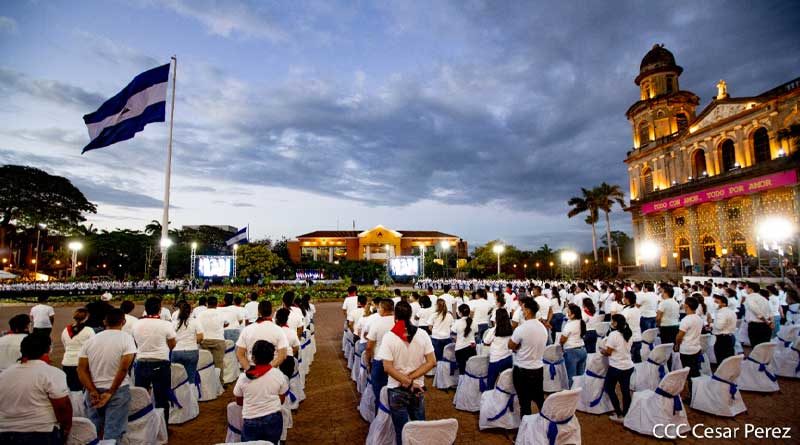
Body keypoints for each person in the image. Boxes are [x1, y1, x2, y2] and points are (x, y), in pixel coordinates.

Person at [377, 301, 436, 445]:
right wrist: (411, 379)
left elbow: (387, 367)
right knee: (419, 428)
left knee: (401, 431)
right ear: (410, 315)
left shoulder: (389, 337)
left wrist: (406, 380)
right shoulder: (422, 334)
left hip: (396, 389)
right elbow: (431, 361)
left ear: (394, 316)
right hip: (417, 388)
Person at [0, 334, 72, 444]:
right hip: (42, 432)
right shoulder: (52, 373)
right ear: (48, 349)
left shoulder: (4, 375)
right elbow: (62, 406)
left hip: (6, 433)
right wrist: (66, 428)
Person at [77, 309, 136, 441]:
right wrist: (111, 391)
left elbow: (81, 369)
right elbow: (124, 368)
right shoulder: (127, 338)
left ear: (105, 322)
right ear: (124, 322)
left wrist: (91, 390)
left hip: (94, 390)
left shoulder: (91, 340)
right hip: (117, 390)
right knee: (113, 431)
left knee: (93, 431)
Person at [233, 340, 288, 444]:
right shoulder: (278, 374)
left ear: (253, 357)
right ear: (272, 357)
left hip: (251, 419)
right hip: (273, 418)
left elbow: (239, 401)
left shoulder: (243, 377)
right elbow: (282, 399)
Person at [132, 297, 177, 421]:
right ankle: (163, 429)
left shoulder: (136, 324)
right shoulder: (165, 324)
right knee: (162, 398)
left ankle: (143, 426)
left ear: (145, 309)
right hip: (161, 362)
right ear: (160, 309)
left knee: (141, 397)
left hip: (141, 362)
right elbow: (173, 343)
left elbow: (135, 341)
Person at [508, 298, 547, 416]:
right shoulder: (542, 328)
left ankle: (526, 432)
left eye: (523, 309)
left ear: (528, 311)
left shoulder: (522, 329)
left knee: (524, 403)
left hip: (523, 370)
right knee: (540, 400)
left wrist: (519, 347)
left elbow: (510, 345)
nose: (522, 312)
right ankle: (544, 425)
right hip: (538, 369)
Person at [235, 300, 289, 370]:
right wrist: (268, 369)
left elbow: (240, 354)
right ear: (272, 312)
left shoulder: (247, 329)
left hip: (252, 371)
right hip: (272, 371)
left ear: (258, 312)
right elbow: (283, 355)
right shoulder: (278, 330)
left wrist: (249, 369)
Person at [366, 299, 396, 404]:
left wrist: (368, 361)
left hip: (380, 359)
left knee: (379, 391)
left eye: (379, 307)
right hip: (395, 360)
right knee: (394, 389)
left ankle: (380, 413)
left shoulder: (377, 323)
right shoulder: (399, 322)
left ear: (382, 309)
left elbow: (369, 347)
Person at [674, 297, 703, 402]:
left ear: (687, 306)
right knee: (695, 372)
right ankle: (696, 393)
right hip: (696, 347)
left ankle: (691, 395)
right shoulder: (699, 318)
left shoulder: (686, 320)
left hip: (687, 349)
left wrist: (677, 344)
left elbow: (679, 336)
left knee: (689, 373)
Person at [60, 308, 95, 391]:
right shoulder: (89, 330)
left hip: (67, 361)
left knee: (71, 389)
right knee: (84, 389)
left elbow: (65, 344)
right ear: (86, 318)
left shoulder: (65, 330)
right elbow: (93, 347)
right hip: (82, 362)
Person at [172, 301, 204, 384]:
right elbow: (200, 337)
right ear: (190, 311)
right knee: (191, 377)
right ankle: (191, 395)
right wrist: (194, 342)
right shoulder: (195, 321)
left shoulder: (174, 323)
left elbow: (170, 338)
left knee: (176, 378)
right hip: (191, 350)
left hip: (176, 351)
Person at [198, 296, 228, 383]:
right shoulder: (221, 313)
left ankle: (207, 383)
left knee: (206, 363)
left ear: (207, 304)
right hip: (218, 339)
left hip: (205, 340)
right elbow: (226, 323)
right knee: (219, 363)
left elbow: (198, 327)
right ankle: (219, 383)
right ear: (217, 304)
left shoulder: (201, 314)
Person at [483, 308, 513, 389]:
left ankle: (489, 397)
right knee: (507, 381)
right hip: (509, 359)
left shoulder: (493, 331)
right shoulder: (511, 329)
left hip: (496, 360)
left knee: (490, 384)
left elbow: (486, 342)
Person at [560, 304, 587, 388]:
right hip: (582, 350)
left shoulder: (570, 324)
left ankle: (572, 396)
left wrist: (561, 345)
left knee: (571, 376)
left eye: (568, 312)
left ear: (573, 314)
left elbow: (562, 339)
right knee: (580, 376)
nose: (567, 314)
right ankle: (580, 393)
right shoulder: (581, 322)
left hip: (572, 351)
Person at [274, 308, 300, 379]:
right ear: (287, 319)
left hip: (275, 361)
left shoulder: (273, 332)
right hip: (288, 361)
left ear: (276, 319)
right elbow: (296, 347)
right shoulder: (292, 332)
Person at [451, 304, 477, 374]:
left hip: (460, 349)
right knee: (471, 369)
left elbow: (452, 334)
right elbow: (476, 334)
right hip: (472, 348)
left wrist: (456, 340)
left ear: (460, 313)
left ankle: (462, 384)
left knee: (462, 370)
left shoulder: (457, 322)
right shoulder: (474, 322)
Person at [712, 294, 736, 364]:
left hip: (722, 339)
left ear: (724, 304)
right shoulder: (731, 311)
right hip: (730, 336)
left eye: (717, 302)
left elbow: (719, 326)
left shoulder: (721, 313)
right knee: (729, 360)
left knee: (721, 360)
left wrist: (712, 325)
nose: (715, 304)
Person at [621, 291, 643, 363]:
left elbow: (621, 324)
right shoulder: (637, 309)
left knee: (630, 361)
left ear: (627, 299)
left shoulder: (627, 311)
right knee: (637, 360)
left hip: (630, 339)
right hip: (638, 337)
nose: (623, 299)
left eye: (624, 297)